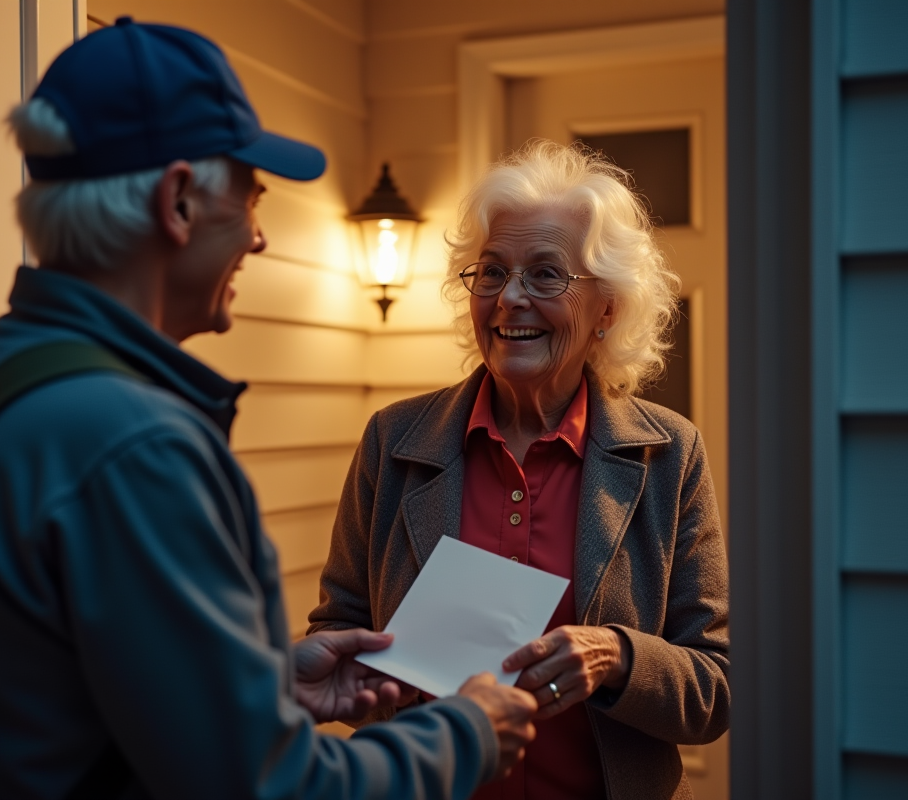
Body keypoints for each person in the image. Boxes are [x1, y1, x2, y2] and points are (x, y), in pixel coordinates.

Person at [0, 18, 538, 800]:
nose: (256, 238)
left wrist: (266, 685)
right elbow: (272, 788)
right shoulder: (137, 447)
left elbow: (64, 688)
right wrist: (467, 732)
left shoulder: (9, 381)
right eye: (251, 199)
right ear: (178, 201)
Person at [309, 140, 729, 800]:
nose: (510, 298)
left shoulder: (669, 455)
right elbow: (337, 636)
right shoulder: (394, 441)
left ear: (608, 309)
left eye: (545, 275)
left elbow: (716, 688)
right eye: (492, 272)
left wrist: (617, 656)